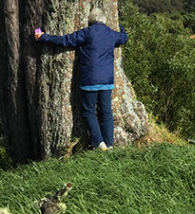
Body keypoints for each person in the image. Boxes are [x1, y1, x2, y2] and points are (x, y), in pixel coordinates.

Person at [34, 8, 128, 151]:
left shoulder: (86, 33)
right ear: (104, 20)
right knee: (106, 112)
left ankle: (99, 143)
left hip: (90, 80)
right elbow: (123, 38)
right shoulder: (111, 34)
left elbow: (64, 40)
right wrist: (120, 26)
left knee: (89, 111)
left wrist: (43, 37)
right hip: (107, 81)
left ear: (90, 20)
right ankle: (109, 145)